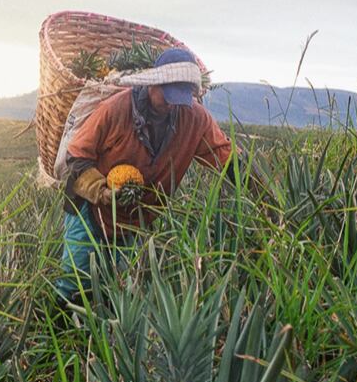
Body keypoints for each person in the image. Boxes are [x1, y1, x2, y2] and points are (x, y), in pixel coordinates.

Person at [54, 47, 235, 304]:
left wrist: (263, 193)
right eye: (168, 95)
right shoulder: (115, 109)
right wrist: (102, 192)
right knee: (74, 282)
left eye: (180, 98)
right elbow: (77, 156)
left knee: (116, 287)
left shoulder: (195, 119)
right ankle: (59, 324)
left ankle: (99, 327)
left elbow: (227, 158)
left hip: (133, 217)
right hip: (87, 207)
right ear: (153, 84)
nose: (172, 104)